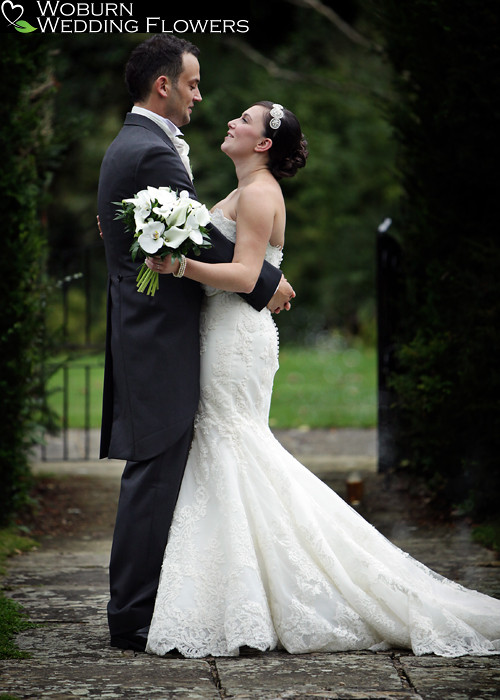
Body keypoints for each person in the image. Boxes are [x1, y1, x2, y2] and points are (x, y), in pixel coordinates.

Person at [144, 101, 500, 659]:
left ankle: (252, 596)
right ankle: (233, 596)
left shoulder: (260, 192)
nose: (232, 122)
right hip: (222, 331)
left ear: (262, 144)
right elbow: (232, 255)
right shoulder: (243, 188)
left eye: (245, 120)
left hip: (237, 337)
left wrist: (179, 266)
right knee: (230, 452)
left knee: (235, 446)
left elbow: (243, 274)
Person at [97, 36, 295, 653]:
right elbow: (197, 244)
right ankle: (132, 614)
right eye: (193, 83)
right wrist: (269, 280)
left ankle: (161, 600)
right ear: (164, 85)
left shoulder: (138, 145)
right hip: (160, 337)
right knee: (157, 474)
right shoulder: (152, 152)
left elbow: (186, 237)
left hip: (189, 333)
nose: (201, 97)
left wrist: (247, 272)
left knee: (185, 468)